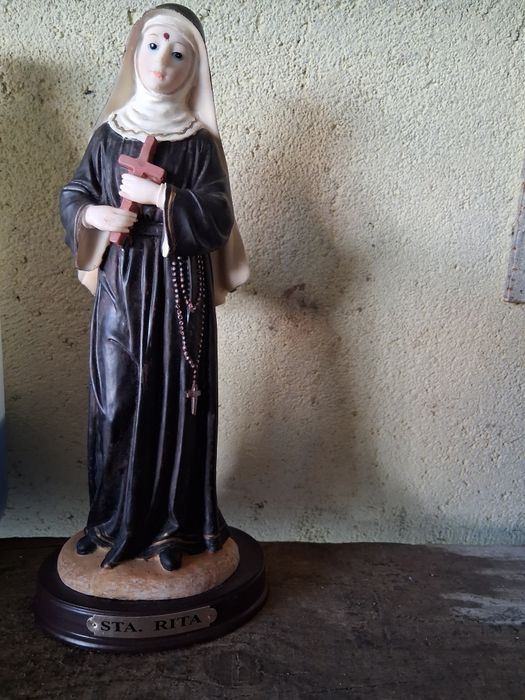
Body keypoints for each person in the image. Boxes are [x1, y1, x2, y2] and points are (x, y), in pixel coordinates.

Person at [60, 4, 248, 571]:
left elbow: (218, 216)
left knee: (174, 407)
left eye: (178, 52)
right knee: (114, 401)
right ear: (135, 52)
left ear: (194, 68)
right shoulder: (109, 134)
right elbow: (75, 192)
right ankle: (107, 519)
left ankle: (173, 529)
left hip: (176, 288)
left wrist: (164, 199)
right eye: (153, 45)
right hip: (121, 284)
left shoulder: (197, 142)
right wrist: (93, 215)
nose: (162, 61)